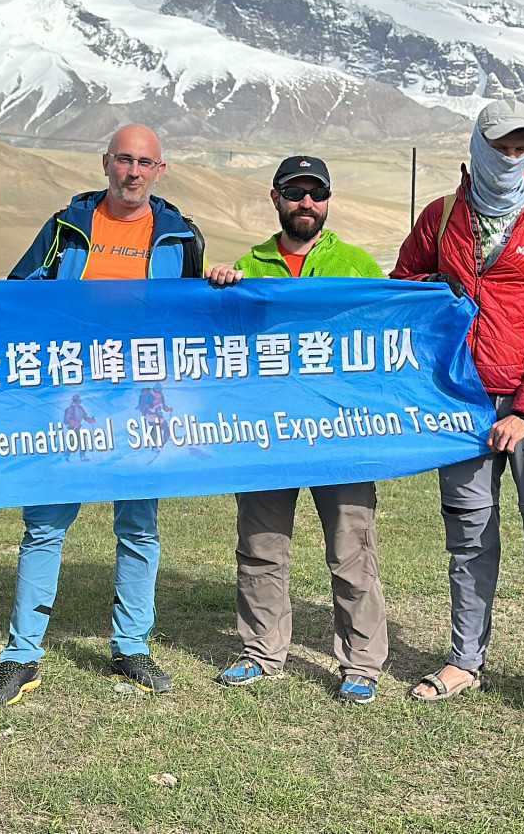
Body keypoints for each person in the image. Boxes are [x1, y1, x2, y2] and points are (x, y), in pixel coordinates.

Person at [390, 100, 524, 737]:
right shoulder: (442, 215)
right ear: (478, 146)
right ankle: (465, 659)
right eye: (502, 146)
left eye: (521, 146)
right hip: (459, 404)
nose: (512, 156)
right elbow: (403, 289)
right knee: (468, 536)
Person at [0, 123, 204, 708]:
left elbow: (195, 311)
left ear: (161, 171)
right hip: (69, 397)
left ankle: (131, 646)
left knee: (138, 527)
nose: (133, 172)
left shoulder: (181, 237)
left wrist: (221, 284)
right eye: (123, 160)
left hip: (143, 398)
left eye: (145, 163)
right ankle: (21, 656)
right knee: (45, 525)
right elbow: (19, 291)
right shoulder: (66, 228)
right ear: (106, 163)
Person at [205, 155, 391, 704]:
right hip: (267, 432)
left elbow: (387, 336)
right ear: (276, 198)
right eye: (295, 192)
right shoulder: (248, 267)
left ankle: (361, 661)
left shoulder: (356, 264)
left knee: (352, 548)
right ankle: (261, 652)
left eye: (316, 193)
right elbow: (218, 343)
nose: (306, 203)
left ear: (328, 200)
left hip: (342, 432)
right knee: (261, 546)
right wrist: (220, 294)